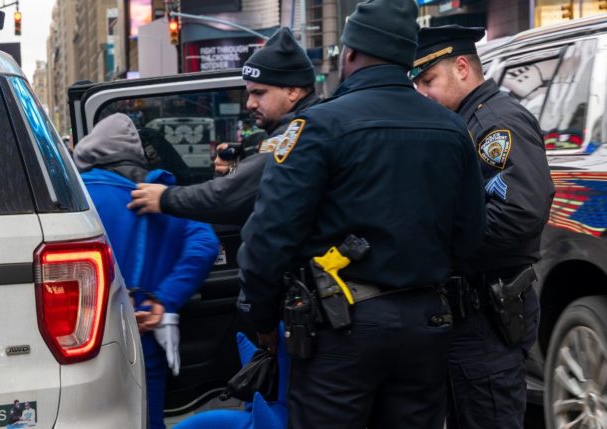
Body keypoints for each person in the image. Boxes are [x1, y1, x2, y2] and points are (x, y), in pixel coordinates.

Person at [237, 1, 487, 428]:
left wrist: (260, 319)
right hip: (427, 324)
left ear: (350, 52)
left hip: (341, 327)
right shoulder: (451, 129)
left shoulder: (317, 126)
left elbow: (269, 238)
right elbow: (469, 238)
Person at [410, 25, 554, 429]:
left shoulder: (494, 123)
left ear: (461, 68)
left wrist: (437, 244)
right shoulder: (466, 122)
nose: (423, 93)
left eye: (428, 81)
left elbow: (518, 211)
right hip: (470, 313)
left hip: (485, 312)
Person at [73, 113, 219, 429]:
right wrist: (164, 300)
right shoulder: (162, 193)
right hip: (148, 332)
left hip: (91, 335)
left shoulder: (76, 197)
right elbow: (205, 243)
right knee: (150, 418)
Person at [127, 27, 319, 226]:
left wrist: (164, 198)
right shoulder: (299, 127)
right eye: (249, 94)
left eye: (259, 93)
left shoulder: (300, 132)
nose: (250, 104)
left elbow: (227, 196)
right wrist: (238, 165)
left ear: (293, 91)